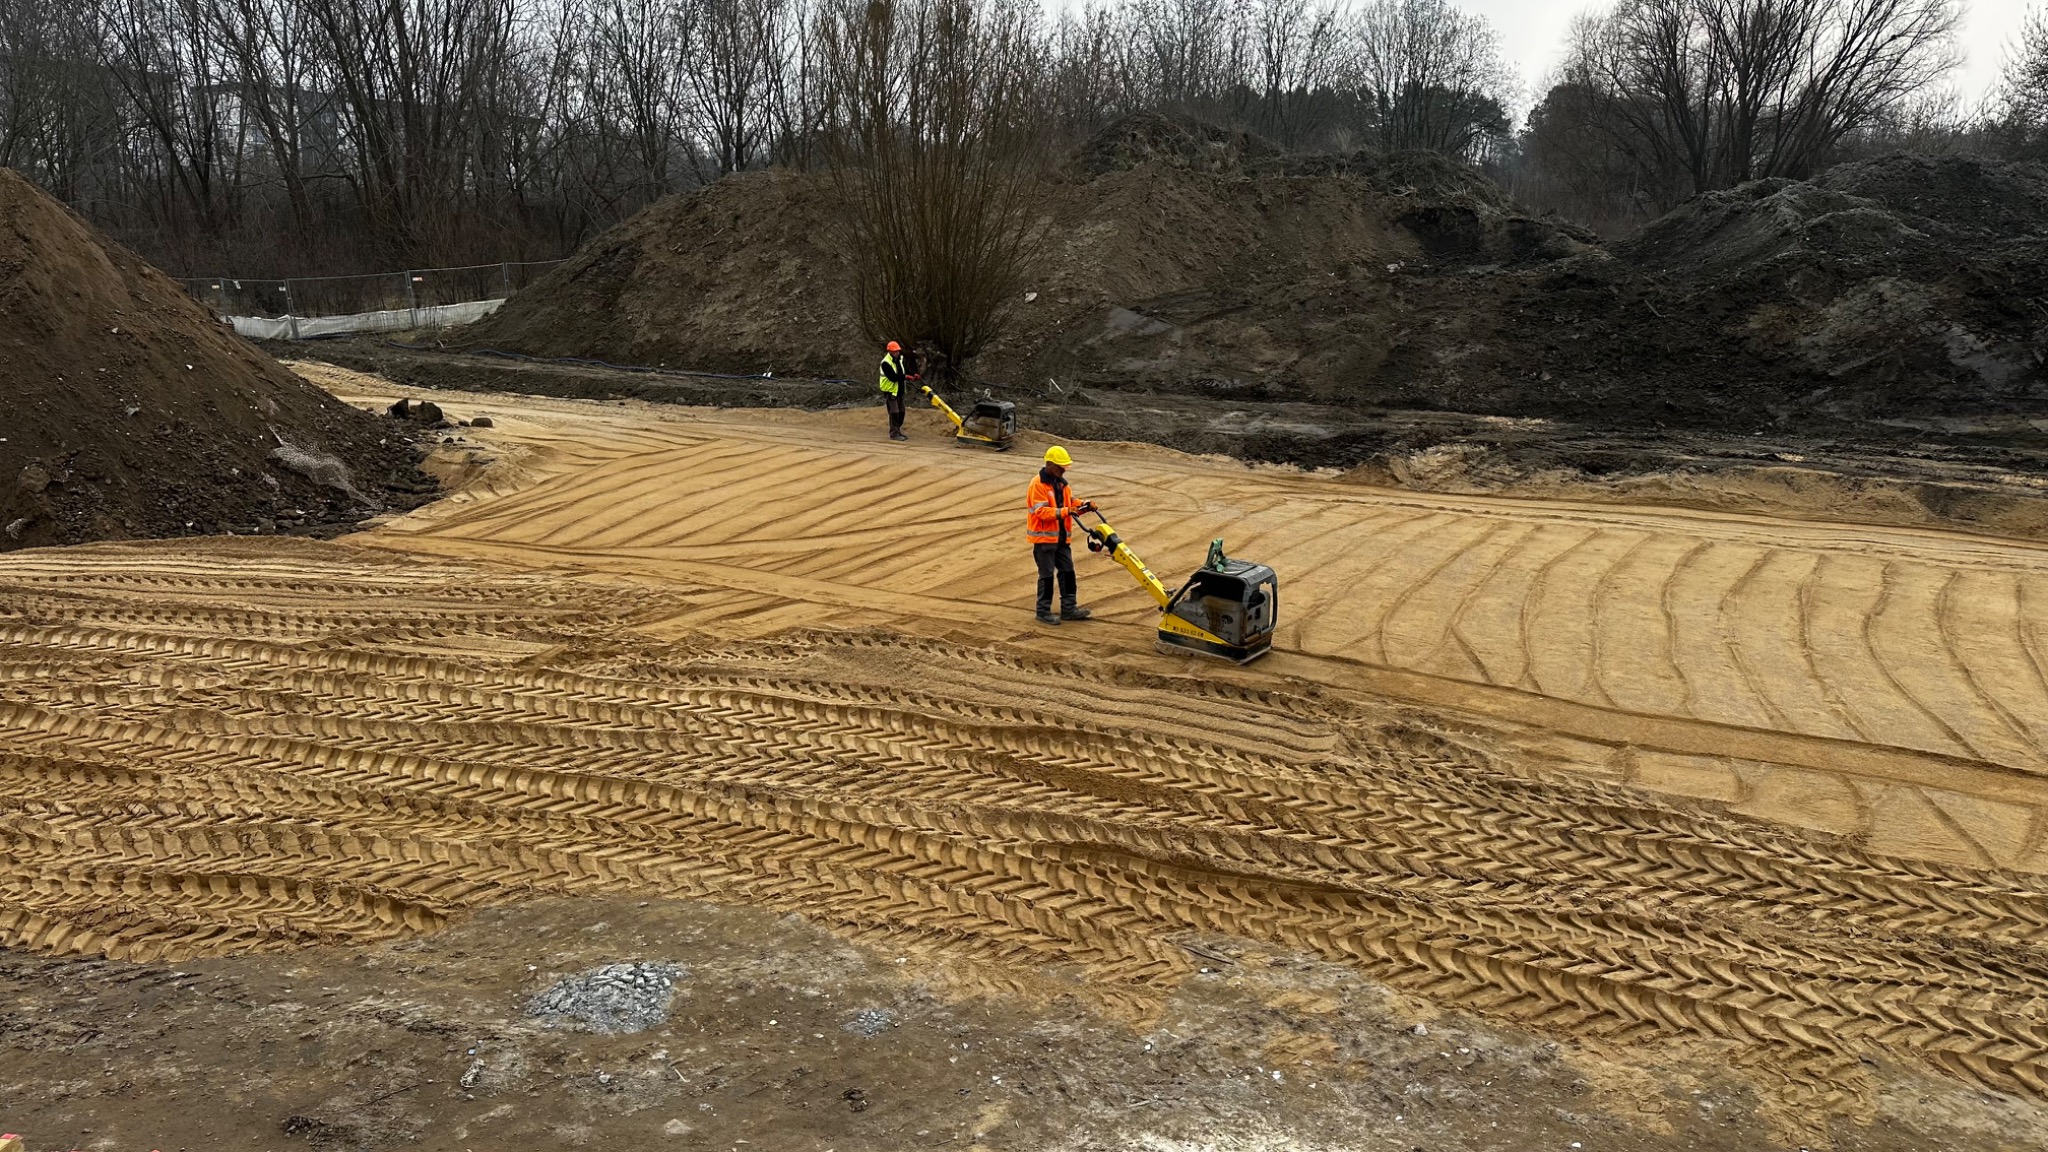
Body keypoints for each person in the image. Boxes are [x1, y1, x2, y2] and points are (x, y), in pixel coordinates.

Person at [1025, 445, 1094, 626]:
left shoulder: (1062, 484)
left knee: (1068, 572)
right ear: (1049, 464)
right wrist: (1066, 511)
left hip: (1062, 539)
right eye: (1060, 466)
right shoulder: (1037, 484)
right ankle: (1043, 611)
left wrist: (1084, 505)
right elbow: (1042, 512)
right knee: (1047, 576)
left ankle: (1069, 609)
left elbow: (1070, 502)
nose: (1063, 469)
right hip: (1044, 539)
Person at [878, 341, 919, 442]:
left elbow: (903, 371)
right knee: (894, 412)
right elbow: (892, 377)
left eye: (898, 351)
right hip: (890, 391)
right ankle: (894, 433)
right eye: (895, 351)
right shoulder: (885, 363)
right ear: (890, 351)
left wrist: (913, 375)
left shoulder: (899, 359)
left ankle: (897, 430)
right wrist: (905, 377)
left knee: (901, 412)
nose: (897, 353)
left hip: (899, 390)